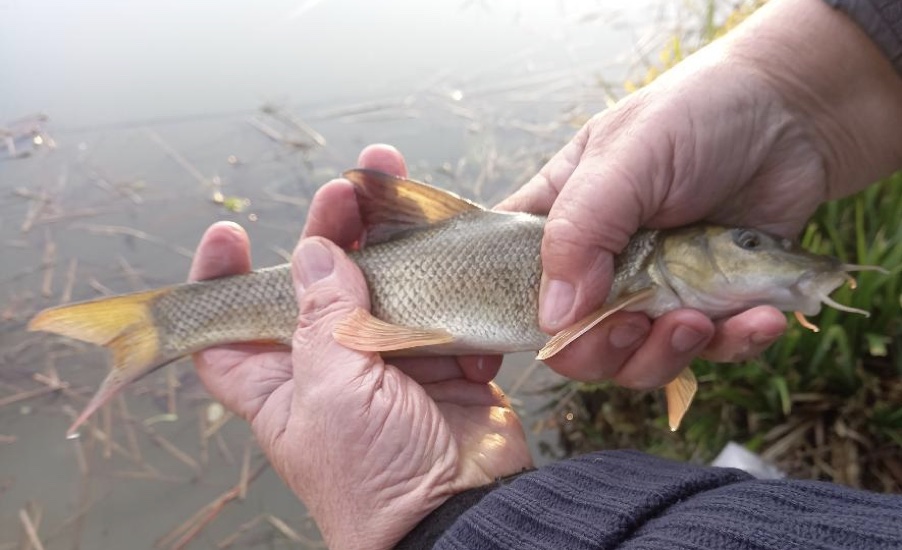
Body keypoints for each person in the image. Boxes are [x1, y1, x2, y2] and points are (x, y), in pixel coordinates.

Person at [189, 0, 902, 548]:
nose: (768, 253)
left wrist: (432, 515)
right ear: (678, 251)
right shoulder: (640, 268)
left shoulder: (666, 289)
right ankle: (174, 321)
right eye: (745, 243)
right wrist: (788, 93)